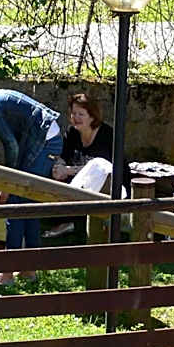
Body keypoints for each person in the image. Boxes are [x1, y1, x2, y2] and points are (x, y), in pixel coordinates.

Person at [0, 71, 62, 286]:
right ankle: (29, 270)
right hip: (46, 136)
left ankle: (7, 273)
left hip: (44, 139)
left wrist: (8, 183)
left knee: (16, 203)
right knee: (28, 203)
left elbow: (11, 145)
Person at [46, 92, 126, 238]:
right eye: (73, 113)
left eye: (81, 114)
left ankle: (75, 224)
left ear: (92, 116)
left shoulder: (107, 136)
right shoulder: (72, 132)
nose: (75, 118)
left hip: (106, 185)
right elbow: (63, 155)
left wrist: (68, 171)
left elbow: (100, 170)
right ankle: (69, 222)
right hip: (78, 184)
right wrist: (59, 167)